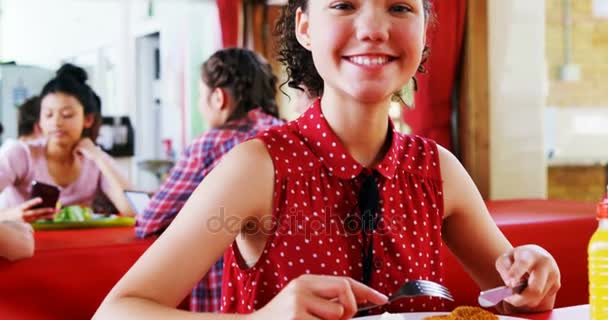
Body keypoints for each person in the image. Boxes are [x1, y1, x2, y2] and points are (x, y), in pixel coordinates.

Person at [95, 1, 560, 319]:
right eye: (343, 4)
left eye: (400, 6)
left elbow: (513, 295)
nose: (375, 27)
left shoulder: (437, 170)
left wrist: (532, 276)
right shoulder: (258, 167)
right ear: (305, 27)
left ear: (423, 28)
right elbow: (118, 310)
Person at [135, 48, 284, 312]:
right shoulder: (289, 138)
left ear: (218, 97)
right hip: (289, 300)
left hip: (229, 304)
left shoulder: (212, 145)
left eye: (199, 95)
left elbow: (150, 220)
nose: (199, 104)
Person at [0, 63, 134, 222]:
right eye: (48, 115)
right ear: (40, 121)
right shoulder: (20, 154)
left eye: (67, 115)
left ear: (88, 119)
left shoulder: (93, 161)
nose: (56, 122)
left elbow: (132, 209)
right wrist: (10, 216)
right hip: (22, 243)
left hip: (75, 245)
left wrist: (98, 157)